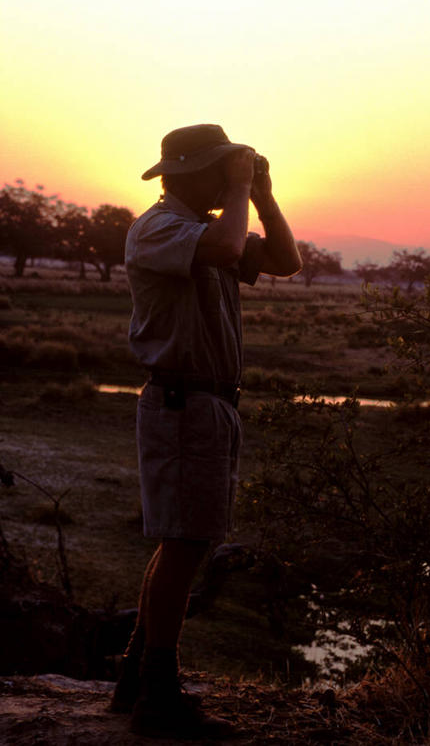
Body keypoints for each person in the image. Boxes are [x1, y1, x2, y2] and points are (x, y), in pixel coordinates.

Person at [111, 124, 302, 739]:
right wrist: (242, 184)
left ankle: (137, 679)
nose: (228, 179)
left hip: (205, 403)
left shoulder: (202, 228)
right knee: (186, 543)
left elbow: (286, 262)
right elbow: (224, 249)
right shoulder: (163, 227)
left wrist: (264, 195)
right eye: (220, 169)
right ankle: (157, 698)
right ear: (189, 172)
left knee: (180, 541)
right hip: (181, 402)